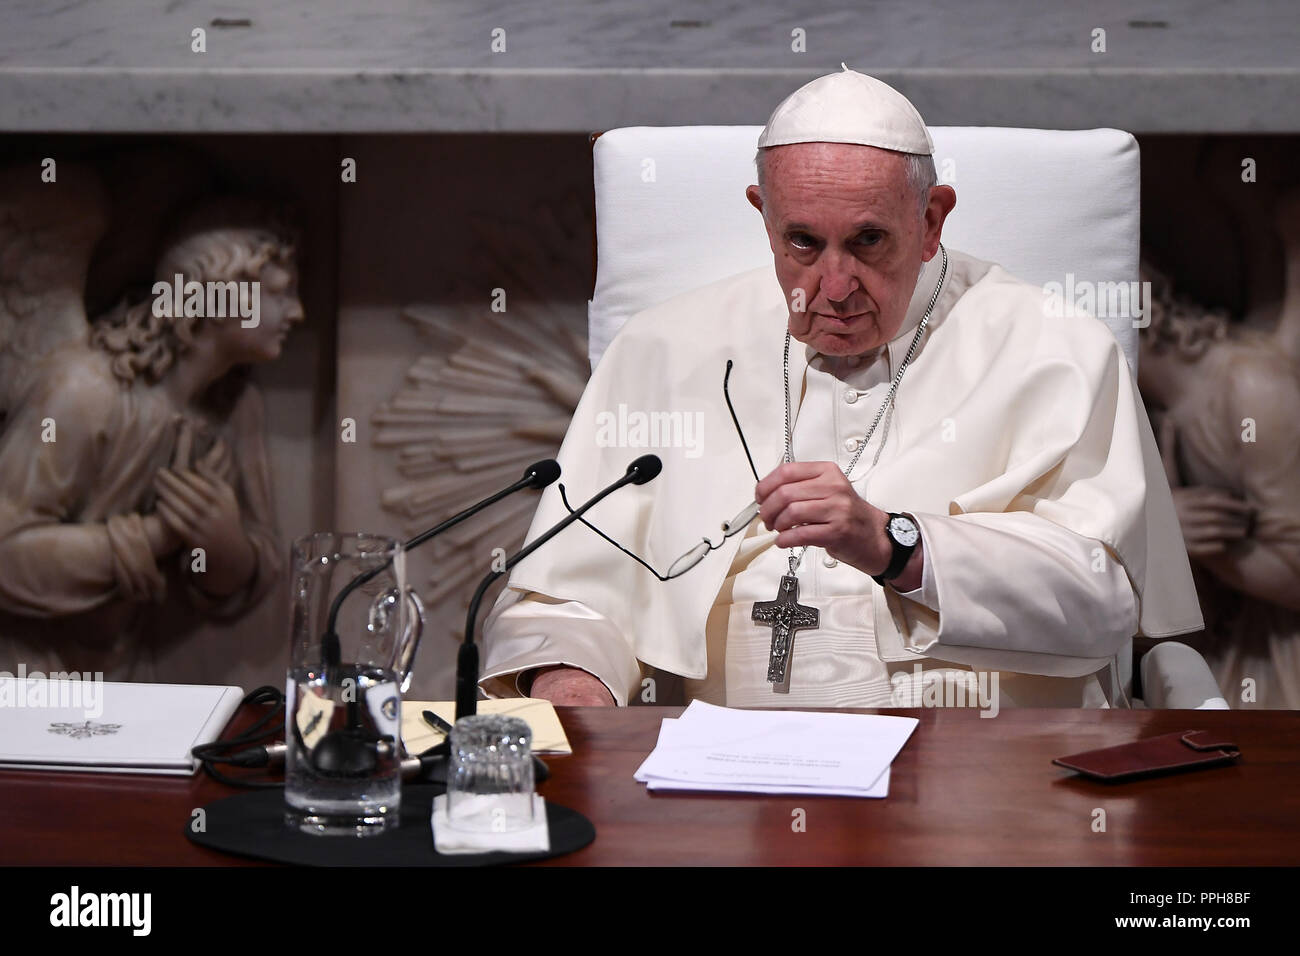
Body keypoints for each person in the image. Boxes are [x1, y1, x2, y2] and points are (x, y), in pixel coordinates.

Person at [481, 67, 1203, 710]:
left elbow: (1104, 603)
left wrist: (896, 546)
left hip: (985, 778)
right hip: (726, 778)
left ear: (930, 221)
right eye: (801, 242)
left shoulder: (1056, 346)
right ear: (762, 214)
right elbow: (567, 592)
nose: (832, 288)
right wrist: (573, 686)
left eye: (867, 242)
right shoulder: (665, 347)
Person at [0, 199, 301, 679]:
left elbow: (248, 567)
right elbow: (6, 554)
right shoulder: (87, 389)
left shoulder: (236, 407)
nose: (298, 313)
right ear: (220, 293)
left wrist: (225, 548)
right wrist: (154, 537)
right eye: (281, 294)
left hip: (123, 674)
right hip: (23, 677)